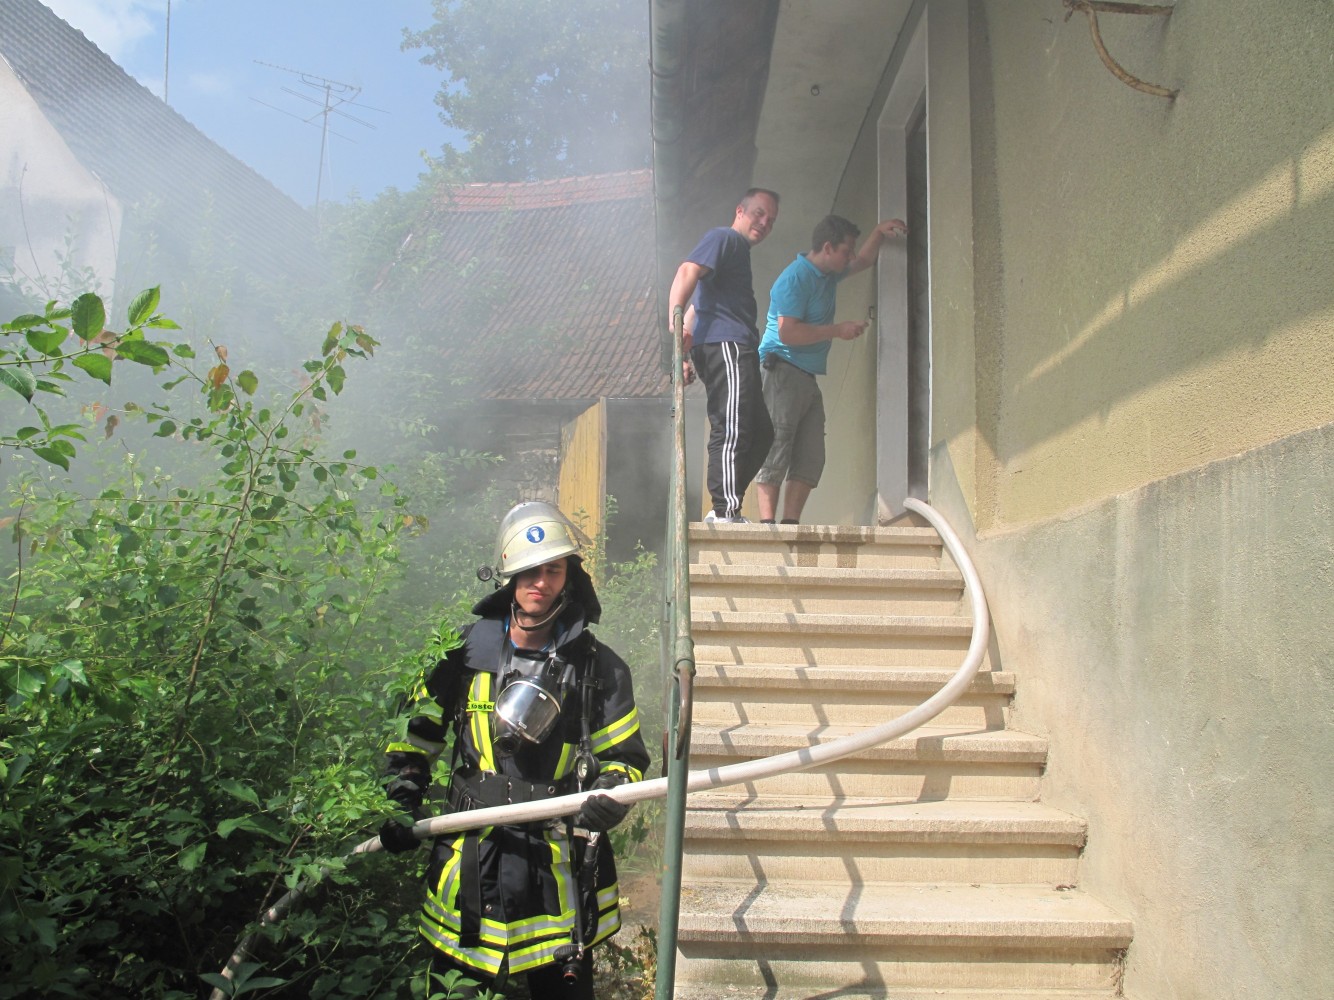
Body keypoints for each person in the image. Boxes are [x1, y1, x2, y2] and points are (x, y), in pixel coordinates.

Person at [379, 501, 650, 999]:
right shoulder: (460, 653)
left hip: (556, 871)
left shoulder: (600, 668)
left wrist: (611, 793)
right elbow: (413, 740)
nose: (540, 582)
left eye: (553, 570)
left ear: (569, 577)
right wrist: (401, 800)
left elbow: (624, 758)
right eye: (529, 571)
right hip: (470, 860)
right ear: (508, 575)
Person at [754, 214, 908, 525]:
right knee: (778, 443)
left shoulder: (827, 274)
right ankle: (767, 527)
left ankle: (790, 524)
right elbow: (788, 333)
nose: (850, 257)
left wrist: (879, 231)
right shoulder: (795, 279)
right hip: (781, 370)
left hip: (806, 376)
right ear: (827, 248)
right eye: (845, 251)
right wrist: (837, 330)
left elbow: (864, 260)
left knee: (811, 454)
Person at [668, 188, 780, 523]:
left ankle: (725, 502)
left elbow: (700, 304)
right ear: (740, 211)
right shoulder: (724, 238)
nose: (764, 222)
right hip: (726, 344)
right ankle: (725, 511)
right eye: (759, 213)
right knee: (733, 425)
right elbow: (686, 271)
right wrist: (674, 325)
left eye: (771, 220)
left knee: (761, 432)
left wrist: (682, 354)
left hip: (737, 346)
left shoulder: (736, 252)